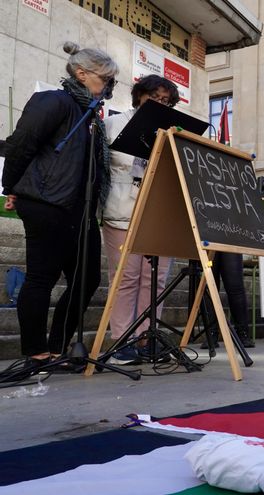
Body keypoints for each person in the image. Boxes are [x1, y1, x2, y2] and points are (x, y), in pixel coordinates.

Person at [1, 42, 118, 365]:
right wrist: (11, 186)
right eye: (104, 79)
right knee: (42, 276)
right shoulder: (53, 101)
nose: (107, 86)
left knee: (87, 278)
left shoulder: (89, 115)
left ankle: (58, 345)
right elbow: (21, 145)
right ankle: (36, 350)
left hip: (80, 209)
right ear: (81, 74)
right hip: (46, 201)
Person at [102, 75, 180, 364]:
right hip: (121, 210)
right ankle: (121, 341)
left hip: (158, 214)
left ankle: (149, 338)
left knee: (156, 279)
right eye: (154, 97)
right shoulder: (113, 123)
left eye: (165, 101)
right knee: (126, 277)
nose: (159, 103)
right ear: (139, 95)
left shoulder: (172, 131)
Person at [201, 252, 256, 348]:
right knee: (208, 288)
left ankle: (243, 333)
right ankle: (211, 334)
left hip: (229, 240)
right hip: (206, 240)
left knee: (235, 286)